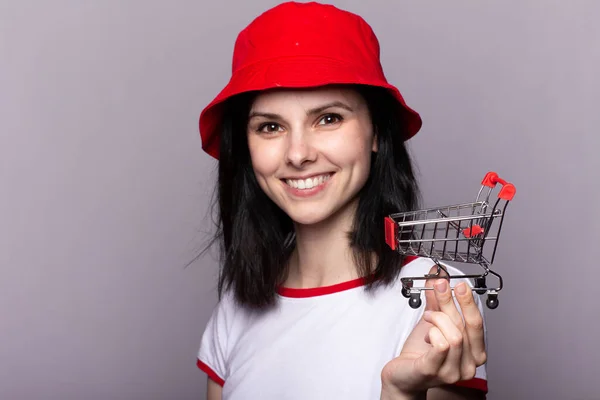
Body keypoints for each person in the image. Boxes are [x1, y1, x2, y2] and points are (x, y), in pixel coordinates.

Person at [195, 2, 488, 399]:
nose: (298, 154)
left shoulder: (434, 297)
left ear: (376, 134)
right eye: (270, 126)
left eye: (328, 118)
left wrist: (400, 394)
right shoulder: (235, 309)